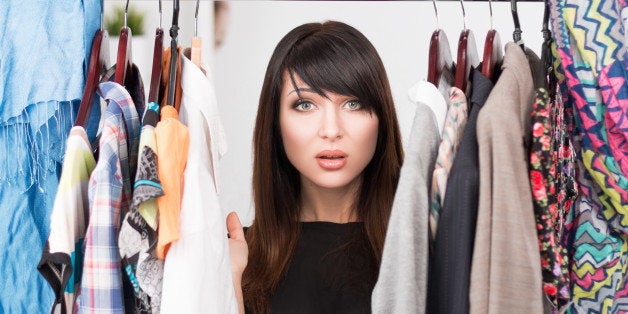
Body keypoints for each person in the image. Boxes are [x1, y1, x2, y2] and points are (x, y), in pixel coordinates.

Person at [226, 20, 404, 314]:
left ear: (381, 118)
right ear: (275, 122)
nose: (331, 130)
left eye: (354, 103)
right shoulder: (239, 257)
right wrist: (231, 281)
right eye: (305, 105)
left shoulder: (423, 251)